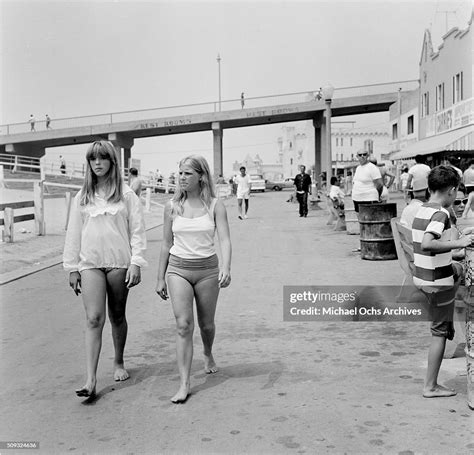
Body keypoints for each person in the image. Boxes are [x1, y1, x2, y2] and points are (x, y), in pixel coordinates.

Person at [63, 140, 147, 398]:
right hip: (90, 264)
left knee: (117, 316)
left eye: (102, 158)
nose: (97, 163)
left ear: (112, 161)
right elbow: (73, 233)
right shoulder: (83, 196)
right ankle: (90, 380)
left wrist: (136, 262)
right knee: (93, 318)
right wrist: (72, 267)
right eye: (93, 159)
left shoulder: (126, 194)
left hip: (119, 263)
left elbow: (137, 231)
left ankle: (119, 361)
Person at [155, 155, 231, 403]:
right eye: (180, 173)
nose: (182, 177)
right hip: (178, 270)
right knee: (184, 325)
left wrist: (226, 267)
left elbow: (225, 240)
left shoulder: (215, 206)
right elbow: (166, 244)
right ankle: (185, 383)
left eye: (187, 173)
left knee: (206, 324)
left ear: (201, 176)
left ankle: (207, 352)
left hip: (207, 270)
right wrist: (160, 278)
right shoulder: (171, 206)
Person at [411, 165, 474, 398]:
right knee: (438, 332)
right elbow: (428, 242)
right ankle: (431, 386)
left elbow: (428, 246)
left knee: (459, 268)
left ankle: (448, 323)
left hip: (424, 275)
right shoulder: (442, 214)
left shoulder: (423, 209)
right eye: (457, 193)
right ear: (451, 190)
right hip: (437, 282)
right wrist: (460, 244)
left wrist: (455, 249)